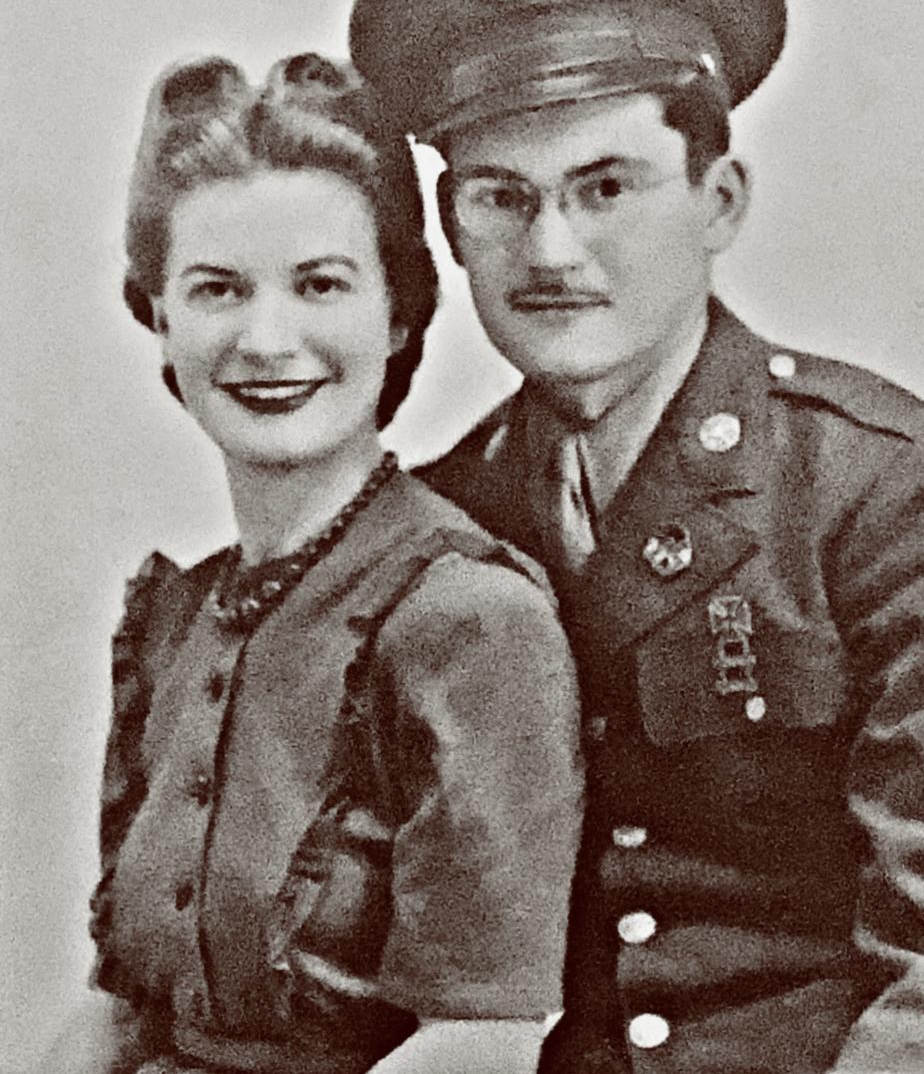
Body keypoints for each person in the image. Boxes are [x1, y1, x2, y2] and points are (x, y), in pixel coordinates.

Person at [347, 0, 924, 1073]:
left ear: (716, 200)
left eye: (606, 187)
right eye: (503, 197)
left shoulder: (874, 491)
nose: (552, 252)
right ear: (452, 226)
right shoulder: (439, 522)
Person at [39, 53, 582, 1074]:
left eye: (321, 284)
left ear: (400, 311)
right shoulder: (177, 615)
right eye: (216, 289)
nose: (266, 337)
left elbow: (482, 1041)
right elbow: (120, 1013)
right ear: (162, 319)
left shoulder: (469, 616)